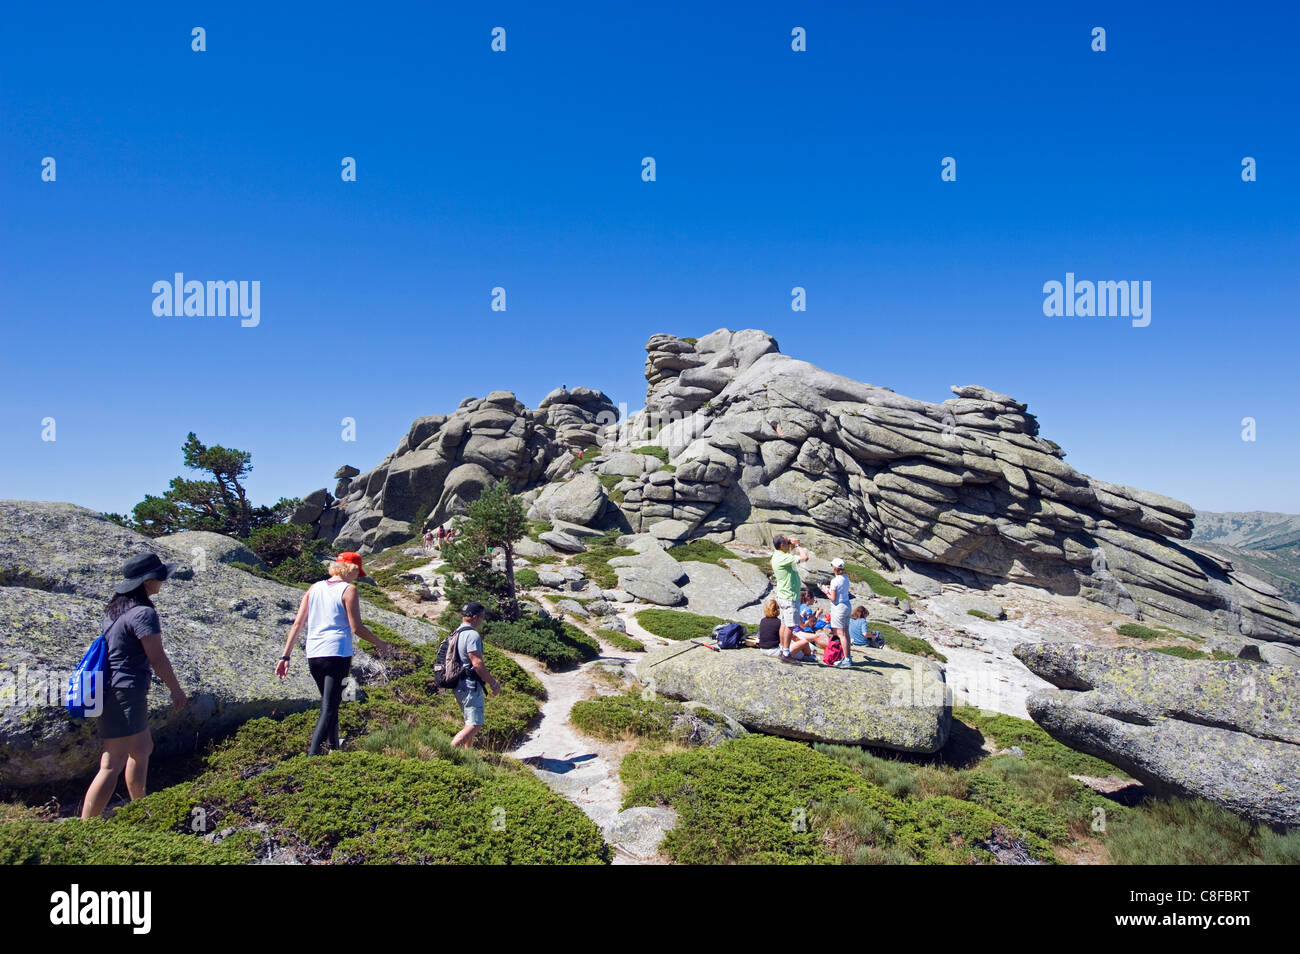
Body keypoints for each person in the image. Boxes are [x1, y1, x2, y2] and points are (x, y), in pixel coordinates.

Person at [81, 553, 188, 819]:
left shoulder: (116, 611)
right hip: (125, 691)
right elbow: (157, 657)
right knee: (111, 763)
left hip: (118, 689)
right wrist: (175, 689)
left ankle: (141, 809)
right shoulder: (143, 613)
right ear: (148, 581)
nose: (162, 583)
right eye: (160, 578)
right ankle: (82, 829)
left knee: (141, 749)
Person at [276, 551, 393, 755]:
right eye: (358, 572)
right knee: (330, 706)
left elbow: (298, 623)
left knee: (329, 702)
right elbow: (356, 627)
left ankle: (333, 746)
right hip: (337, 653)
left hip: (314, 653)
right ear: (351, 569)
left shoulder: (314, 588)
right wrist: (379, 643)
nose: (358, 577)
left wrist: (285, 656)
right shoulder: (349, 590)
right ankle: (312, 756)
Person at [448, 602, 501, 748]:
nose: (483, 620)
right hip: (470, 685)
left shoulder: (456, 632)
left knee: (469, 722)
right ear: (475, 617)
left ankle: (467, 754)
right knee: (475, 725)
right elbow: (477, 664)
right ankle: (447, 752)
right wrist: (493, 684)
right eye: (483, 617)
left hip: (458, 684)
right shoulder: (472, 635)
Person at [770, 534, 810, 663]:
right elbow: (805, 557)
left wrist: (791, 546)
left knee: (784, 623)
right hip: (789, 596)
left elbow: (791, 557)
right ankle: (786, 654)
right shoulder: (783, 558)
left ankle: (783, 649)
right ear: (782, 545)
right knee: (790, 626)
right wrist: (798, 545)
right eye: (787, 542)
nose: (789, 543)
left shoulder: (778, 555)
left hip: (784, 594)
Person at [821, 559, 853, 668]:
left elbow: (833, 598)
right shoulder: (845, 578)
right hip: (847, 605)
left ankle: (846, 659)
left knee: (840, 633)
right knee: (846, 632)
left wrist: (825, 591)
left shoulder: (834, 580)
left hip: (838, 608)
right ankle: (847, 656)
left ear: (835, 567)